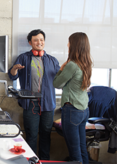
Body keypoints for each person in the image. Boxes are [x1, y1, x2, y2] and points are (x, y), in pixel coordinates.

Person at [8, 29, 60, 160]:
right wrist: (14, 69)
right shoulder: (23, 58)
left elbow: (60, 80)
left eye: (41, 40)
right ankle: (30, 161)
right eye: (36, 40)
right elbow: (12, 77)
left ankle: (44, 160)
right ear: (30, 42)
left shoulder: (52, 60)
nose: (39, 42)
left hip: (48, 105)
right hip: (31, 104)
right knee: (31, 135)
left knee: (46, 134)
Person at [53, 32, 92, 164]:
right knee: (82, 149)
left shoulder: (72, 65)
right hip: (83, 111)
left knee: (74, 153)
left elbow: (57, 84)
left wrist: (61, 69)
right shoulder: (86, 63)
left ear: (74, 45)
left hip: (72, 110)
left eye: (69, 42)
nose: (67, 44)